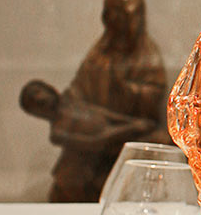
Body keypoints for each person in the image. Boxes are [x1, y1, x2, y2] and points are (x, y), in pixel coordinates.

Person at [20, 80, 156, 202]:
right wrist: (131, 127)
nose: (39, 98)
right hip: (79, 177)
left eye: (37, 92)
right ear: (35, 113)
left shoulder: (72, 103)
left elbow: (102, 113)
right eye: (33, 101)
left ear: (48, 89)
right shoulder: (57, 133)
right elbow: (94, 142)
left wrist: (130, 121)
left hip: (104, 160)